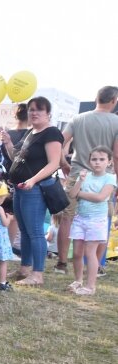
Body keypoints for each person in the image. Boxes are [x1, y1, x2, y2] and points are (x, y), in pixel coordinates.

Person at [2, 96, 64, 286]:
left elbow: (55, 163)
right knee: (25, 230)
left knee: (35, 231)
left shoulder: (51, 133)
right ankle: (25, 268)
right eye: (31, 109)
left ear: (48, 114)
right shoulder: (30, 133)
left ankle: (37, 274)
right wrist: (7, 143)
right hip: (21, 188)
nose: (34, 113)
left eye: (39, 110)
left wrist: (33, 180)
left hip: (35, 189)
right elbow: (16, 158)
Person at [57, 86, 118, 275]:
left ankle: (61, 263)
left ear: (96, 98)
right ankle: (97, 265)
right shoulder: (117, 121)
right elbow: (116, 155)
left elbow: (58, 142)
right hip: (104, 177)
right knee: (103, 219)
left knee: (67, 218)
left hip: (77, 172)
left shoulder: (78, 118)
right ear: (114, 100)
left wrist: (63, 164)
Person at [67, 146, 117, 295]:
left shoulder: (110, 178)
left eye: (102, 159)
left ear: (108, 162)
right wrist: (80, 182)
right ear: (89, 161)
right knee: (76, 253)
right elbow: (71, 194)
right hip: (80, 218)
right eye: (94, 159)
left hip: (97, 220)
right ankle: (78, 280)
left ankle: (90, 286)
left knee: (90, 253)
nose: (97, 162)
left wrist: (80, 194)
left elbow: (100, 197)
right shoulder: (84, 175)